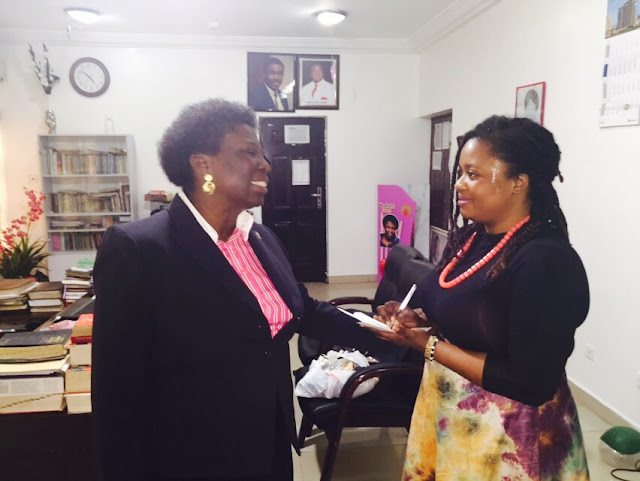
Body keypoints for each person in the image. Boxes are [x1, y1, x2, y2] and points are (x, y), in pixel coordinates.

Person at [91, 99, 390, 481]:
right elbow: (117, 395)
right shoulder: (140, 249)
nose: (265, 164)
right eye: (249, 153)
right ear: (203, 164)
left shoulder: (261, 238)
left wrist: (384, 328)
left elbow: (304, 310)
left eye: (262, 154)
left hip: (270, 438)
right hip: (193, 457)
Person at [365, 116, 590, 480]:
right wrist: (420, 320)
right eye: (460, 173)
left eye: (473, 174)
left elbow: (532, 382)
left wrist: (426, 344)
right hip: (450, 412)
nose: (459, 184)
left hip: (508, 434)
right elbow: (475, 316)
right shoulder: (471, 239)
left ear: (518, 182)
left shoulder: (544, 260)